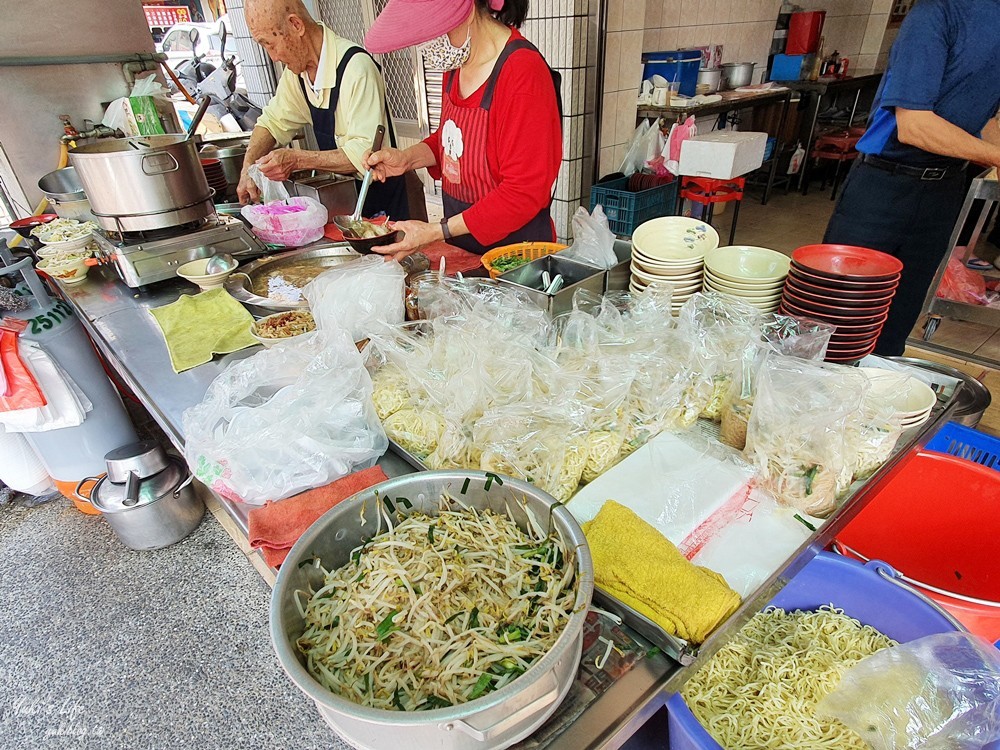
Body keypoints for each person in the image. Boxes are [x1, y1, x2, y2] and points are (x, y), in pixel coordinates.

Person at [822, 0, 1000, 356]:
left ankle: (878, 402)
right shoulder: (939, 12)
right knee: (837, 319)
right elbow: (914, 125)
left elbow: (988, 118)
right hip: (883, 188)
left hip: (945, 189)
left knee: (897, 322)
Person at [361, 0, 562, 259]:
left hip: (514, 260)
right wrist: (405, 160)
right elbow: (452, 140)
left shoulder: (523, 72)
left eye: (433, 33)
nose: (429, 47)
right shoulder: (458, 64)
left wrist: (436, 231)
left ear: (464, 12)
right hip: (462, 249)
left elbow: (522, 192)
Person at [237, 0, 409, 220]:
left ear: (296, 25)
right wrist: (248, 166)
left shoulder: (356, 68)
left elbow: (364, 153)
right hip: (343, 204)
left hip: (382, 203)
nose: (273, 57)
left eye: (270, 44)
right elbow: (272, 122)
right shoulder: (297, 75)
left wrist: (297, 159)